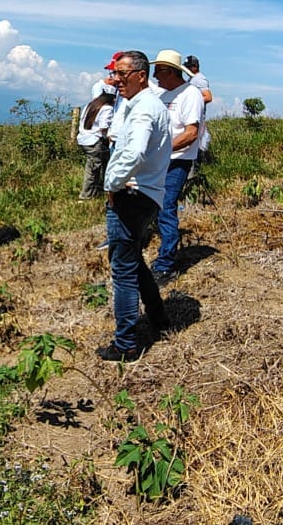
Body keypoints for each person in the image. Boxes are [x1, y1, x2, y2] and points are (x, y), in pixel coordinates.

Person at [98, 50, 172, 362]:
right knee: (133, 259)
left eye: (122, 74)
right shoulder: (146, 104)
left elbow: (136, 152)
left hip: (132, 196)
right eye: (114, 74)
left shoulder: (143, 108)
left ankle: (126, 343)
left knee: (123, 270)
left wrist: (111, 183)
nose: (116, 80)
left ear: (141, 75)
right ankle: (159, 318)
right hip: (147, 195)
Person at [149, 49, 204, 280]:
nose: (155, 76)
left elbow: (191, 133)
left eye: (158, 71)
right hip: (160, 161)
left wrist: (162, 150)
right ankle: (164, 256)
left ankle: (165, 265)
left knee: (166, 208)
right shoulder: (163, 96)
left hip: (177, 161)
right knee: (156, 208)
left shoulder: (190, 95)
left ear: (169, 72)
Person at [76, 91, 115, 200]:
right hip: (95, 141)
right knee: (93, 169)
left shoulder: (91, 105)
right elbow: (104, 127)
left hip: (84, 139)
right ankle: (86, 195)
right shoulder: (107, 108)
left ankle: (98, 190)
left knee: (98, 165)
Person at [182, 54, 212, 176]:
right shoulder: (192, 79)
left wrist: (192, 102)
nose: (187, 70)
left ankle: (196, 173)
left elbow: (208, 97)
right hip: (192, 118)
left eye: (189, 67)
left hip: (198, 119)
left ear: (195, 67)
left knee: (197, 145)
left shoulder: (199, 79)